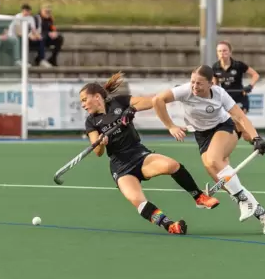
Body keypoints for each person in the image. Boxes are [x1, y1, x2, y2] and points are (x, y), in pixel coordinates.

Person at [81, 72, 220, 235]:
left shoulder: (120, 102)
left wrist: (131, 109)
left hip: (139, 155)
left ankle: (199, 197)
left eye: (84, 100)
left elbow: (151, 101)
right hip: (119, 166)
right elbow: (97, 151)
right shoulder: (91, 121)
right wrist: (101, 142)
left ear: (97, 97)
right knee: (137, 201)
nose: (83, 105)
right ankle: (170, 226)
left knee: (172, 165)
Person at [152, 65, 265, 234]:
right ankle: (264, 215)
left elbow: (240, 116)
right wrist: (171, 126)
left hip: (222, 127)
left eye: (199, 83)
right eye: (192, 82)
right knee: (216, 171)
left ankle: (244, 200)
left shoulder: (220, 94)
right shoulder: (185, 91)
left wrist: (256, 137)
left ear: (210, 83)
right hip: (201, 135)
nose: (194, 87)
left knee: (214, 160)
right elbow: (157, 100)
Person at [212, 40, 260, 114]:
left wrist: (250, 86)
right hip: (225, 98)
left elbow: (255, 75)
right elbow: (215, 85)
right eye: (219, 51)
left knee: (239, 121)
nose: (222, 53)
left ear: (230, 52)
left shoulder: (238, 65)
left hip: (239, 97)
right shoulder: (215, 67)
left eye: (225, 50)